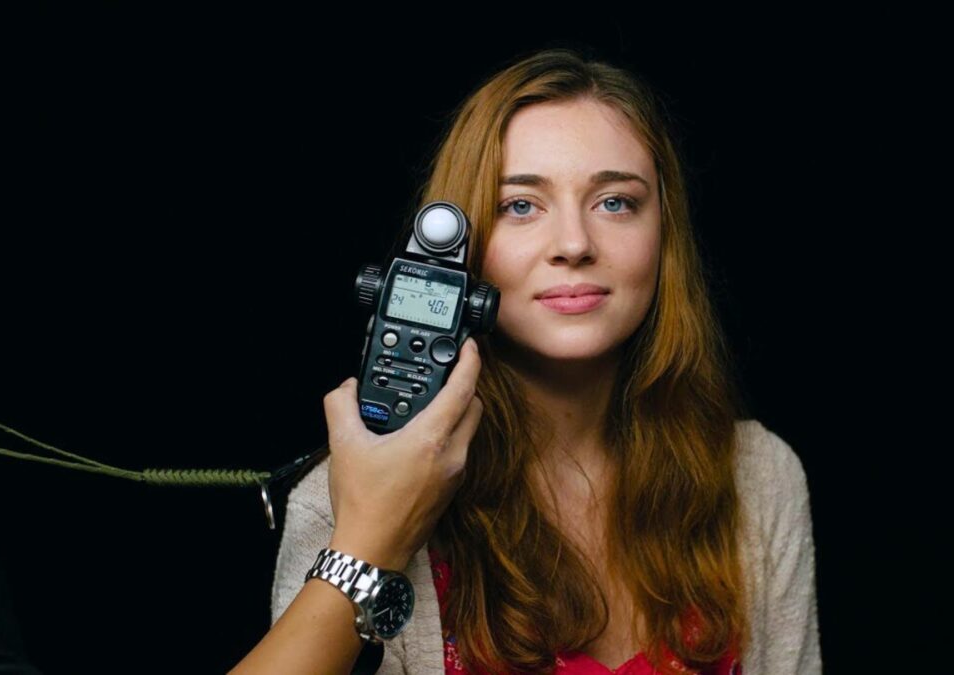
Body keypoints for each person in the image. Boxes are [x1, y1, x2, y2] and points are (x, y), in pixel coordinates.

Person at [231, 46, 821, 674]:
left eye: (615, 202)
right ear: (460, 248)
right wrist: (368, 540)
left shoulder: (758, 478)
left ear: (664, 234)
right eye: (520, 206)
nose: (573, 244)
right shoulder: (345, 498)